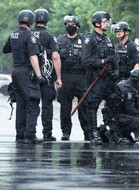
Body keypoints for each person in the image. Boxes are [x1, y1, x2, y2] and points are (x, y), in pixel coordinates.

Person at [2, 10, 45, 144]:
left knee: (20, 104)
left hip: (16, 72)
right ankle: (30, 135)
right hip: (27, 72)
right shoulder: (30, 36)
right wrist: (39, 76)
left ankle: (20, 134)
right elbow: (33, 57)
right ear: (31, 22)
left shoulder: (13, 34)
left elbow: (6, 49)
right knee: (32, 103)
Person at [82, 11, 117, 145]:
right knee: (93, 106)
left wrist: (115, 70)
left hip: (108, 78)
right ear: (97, 23)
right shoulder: (89, 39)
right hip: (95, 78)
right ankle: (93, 133)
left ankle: (112, 131)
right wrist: (102, 62)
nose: (108, 23)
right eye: (105, 21)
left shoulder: (107, 39)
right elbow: (86, 60)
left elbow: (113, 57)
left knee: (114, 103)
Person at [57, 13, 89, 141]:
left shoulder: (85, 40)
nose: (70, 27)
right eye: (68, 25)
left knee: (84, 106)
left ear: (77, 26)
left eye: (73, 25)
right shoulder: (59, 40)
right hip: (66, 76)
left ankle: (87, 132)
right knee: (65, 106)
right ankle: (65, 132)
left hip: (82, 76)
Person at [31, 8, 62, 141]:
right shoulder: (50, 36)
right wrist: (59, 77)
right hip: (47, 76)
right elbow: (55, 57)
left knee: (31, 104)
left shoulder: (29, 34)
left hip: (30, 76)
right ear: (47, 20)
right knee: (47, 105)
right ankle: (47, 133)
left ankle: (29, 132)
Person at [98, 68, 139, 144]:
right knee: (137, 120)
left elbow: (135, 102)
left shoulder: (129, 85)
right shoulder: (127, 89)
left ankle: (123, 134)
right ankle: (112, 133)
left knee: (135, 116)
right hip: (113, 116)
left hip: (116, 114)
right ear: (136, 79)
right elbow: (129, 109)